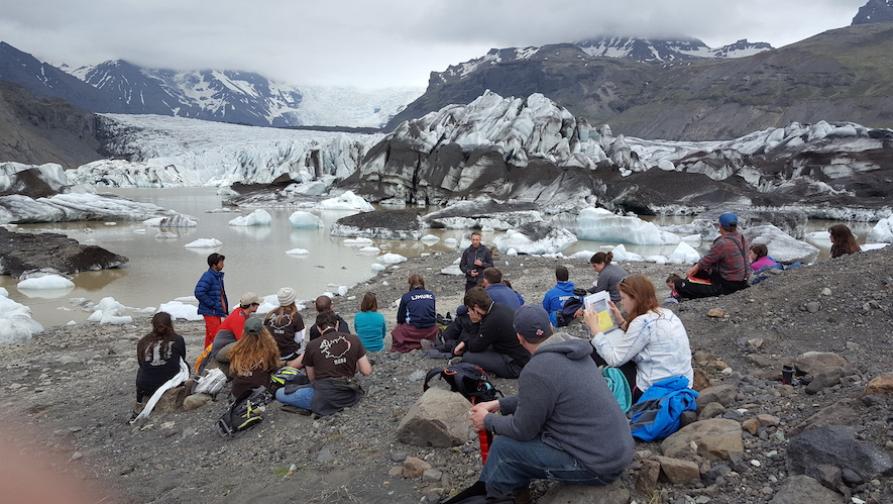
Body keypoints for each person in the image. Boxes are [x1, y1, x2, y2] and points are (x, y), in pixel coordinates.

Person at [470, 305, 634, 500]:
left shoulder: (537, 370)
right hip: (618, 451)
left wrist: (487, 420)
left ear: (519, 338)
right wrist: (499, 405)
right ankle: (515, 487)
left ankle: (497, 498)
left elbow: (522, 430)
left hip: (598, 466)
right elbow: (542, 396)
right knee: (525, 437)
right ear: (550, 327)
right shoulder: (576, 351)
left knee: (503, 448)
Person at [585, 275, 693, 399]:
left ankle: (586, 392)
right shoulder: (667, 314)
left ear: (635, 298)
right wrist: (620, 320)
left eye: (623, 298)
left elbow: (614, 360)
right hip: (684, 383)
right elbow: (644, 336)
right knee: (612, 347)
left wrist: (596, 330)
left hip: (655, 391)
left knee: (595, 349)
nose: (621, 302)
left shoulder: (642, 322)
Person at [276, 311, 373, 416]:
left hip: (324, 398)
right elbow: (366, 371)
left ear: (318, 328)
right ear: (336, 324)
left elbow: (312, 378)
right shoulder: (354, 339)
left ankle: (311, 407)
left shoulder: (312, 345)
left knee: (279, 393)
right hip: (349, 395)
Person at [455, 287, 530, 378]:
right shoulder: (499, 308)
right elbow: (482, 338)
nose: (468, 312)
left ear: (476, 308)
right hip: (523, 357)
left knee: (468, 357)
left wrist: (475, 323)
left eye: (469, 309)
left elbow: (474, 347)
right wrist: (465, 342)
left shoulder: (492, 320)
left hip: (516, 366)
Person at [674, 212, 749, 299]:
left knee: (680, 285)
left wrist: (695, 268)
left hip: (728, 285)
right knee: (700, 270)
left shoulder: (723, 242)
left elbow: (708, 260)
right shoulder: (742, 238)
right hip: (743, 281)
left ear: (720, 226)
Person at [134, 312, 186, 416]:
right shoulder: (178, 339)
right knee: (185, 365)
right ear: (170, 324)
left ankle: (139, 401)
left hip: (146, 386)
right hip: (169, 384)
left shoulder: (143, 341)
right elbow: (182, 358)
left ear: (153, 324)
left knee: (142, 369)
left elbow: (141, 363)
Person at [228, 317, 282, 399]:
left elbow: (233, 372)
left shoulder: (236, 349)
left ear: (244, 332)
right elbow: (274, 368)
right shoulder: (269, 350)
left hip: (238, 393)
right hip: (258, 393)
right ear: (263, 331)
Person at [211, 292, 261, 376]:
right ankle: (244, 373)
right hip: (220, 350)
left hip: (228, 345)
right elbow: (242, 340)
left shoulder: (243, 314)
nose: (258, 305)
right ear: (251, 305)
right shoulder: (239, 318)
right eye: (257, 304)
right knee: (246, 347)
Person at [391, 274, 438, 352]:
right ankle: (425, 342)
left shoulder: (406, 296)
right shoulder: (431, 295)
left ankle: (412, 344)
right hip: (431, 328)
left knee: (396, 332)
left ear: (410, 284)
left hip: (415, 328)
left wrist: (400, 324)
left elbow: (400, 317)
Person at [194, 253, 228, 348]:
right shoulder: (208, 276)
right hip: (211, 312)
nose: (223, 264)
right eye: (221, 262)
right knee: (216, 337)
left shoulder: (217, 276)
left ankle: (206, 357)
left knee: (210, 337)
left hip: (215, 311)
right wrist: (212, 304)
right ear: (214, 264)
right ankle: (213, 358)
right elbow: (198, 292)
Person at [264, 287, 306, 361]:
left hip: (273, 354)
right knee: (303, 343)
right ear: (293, 300)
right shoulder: (296, 316)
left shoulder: (270, 314)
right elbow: (298, 339)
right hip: (289, 354)